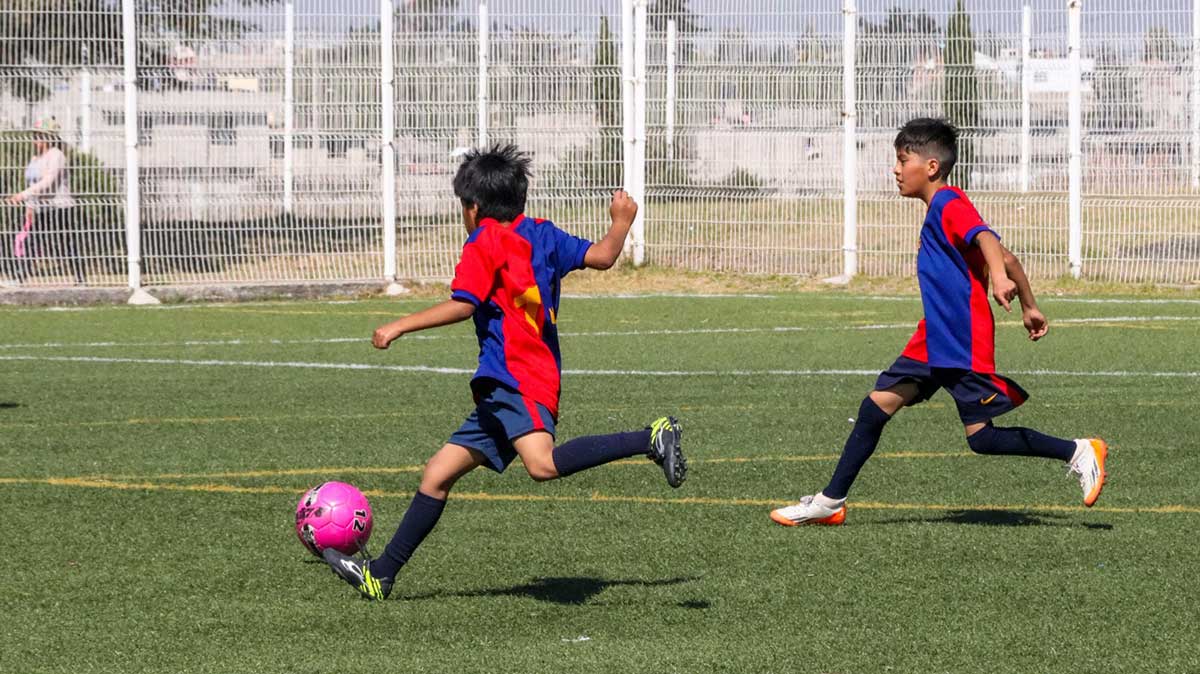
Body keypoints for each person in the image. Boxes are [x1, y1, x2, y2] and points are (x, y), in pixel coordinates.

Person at [321, 143, 687, 600]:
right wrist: (621, 221)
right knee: (437, 474)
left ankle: (649, 437)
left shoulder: (483, 242)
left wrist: (398, 325)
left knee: (542, 464)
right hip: (506, 385)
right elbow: (602, 256)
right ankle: (382, 574)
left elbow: (462, 305)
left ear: (473, 208)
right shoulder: (542, 234)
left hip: (518, 378)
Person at [769, 118, 1108, 527]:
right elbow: (1009, 257)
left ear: (931, 166)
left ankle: (1078, 451)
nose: (895, 169)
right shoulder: (941, 210)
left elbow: (988, 240)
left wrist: (1001, 281)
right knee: (879, 409)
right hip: (936, 337)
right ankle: (830, 501)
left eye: (902, 160)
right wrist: (1029, 305)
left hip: (958, 338)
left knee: (978, 436)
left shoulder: (949, 202)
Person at [5, 117, 85, 285]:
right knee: (31, 241)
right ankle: (21, 277)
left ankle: (80, 277)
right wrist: (30, 206)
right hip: (43, 208)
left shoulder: (57, 155)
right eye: (35, 135)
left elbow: (48, 181)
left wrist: (22, 195)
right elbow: (32, 183)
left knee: (65, 243)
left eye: (39, 135)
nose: (35, 139)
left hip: (60, 207)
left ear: (49, 137)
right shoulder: (36, 158)